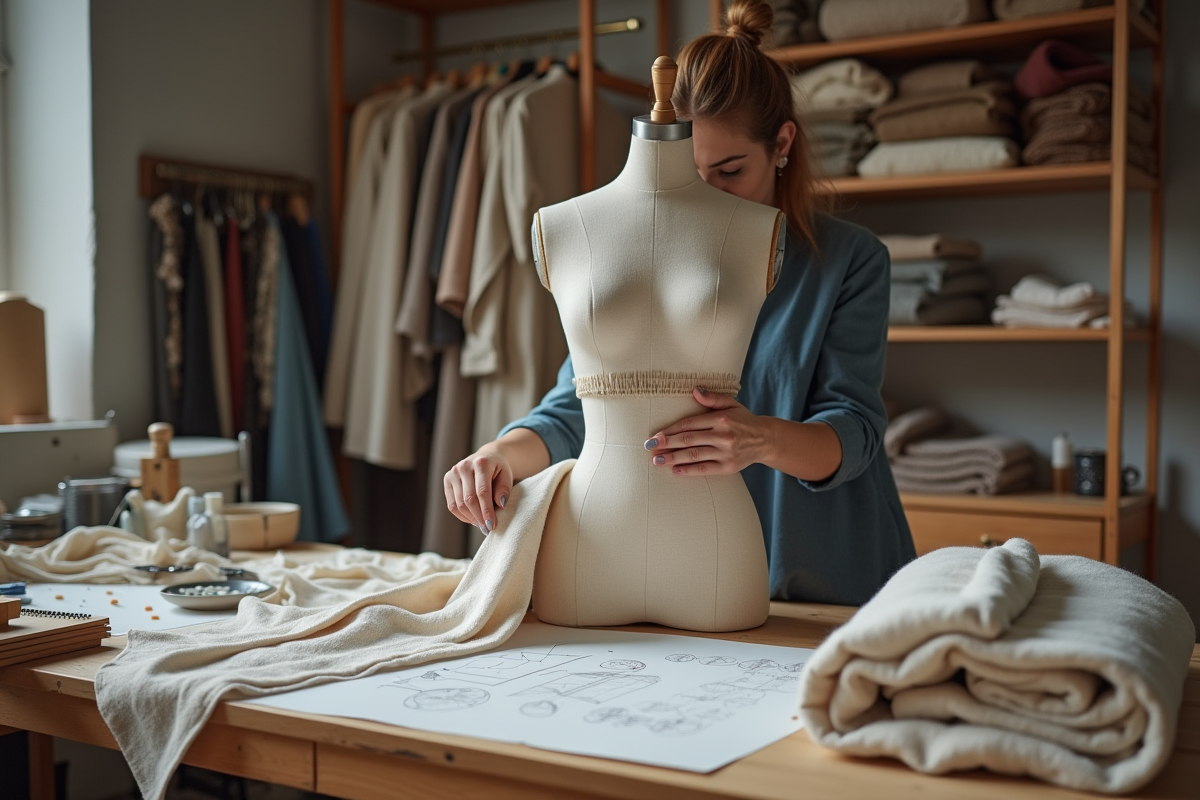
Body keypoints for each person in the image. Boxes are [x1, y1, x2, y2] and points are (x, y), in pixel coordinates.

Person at [443, 0, 915, 606]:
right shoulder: (637, 251)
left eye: (729, 171)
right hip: (686, 575)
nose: (707, 198)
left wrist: (760, 439)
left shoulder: (850, 261)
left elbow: (854, 431)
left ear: (782, 144)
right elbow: (575, 407)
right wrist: (494, 456)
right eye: (689, 175)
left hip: (824, 577)